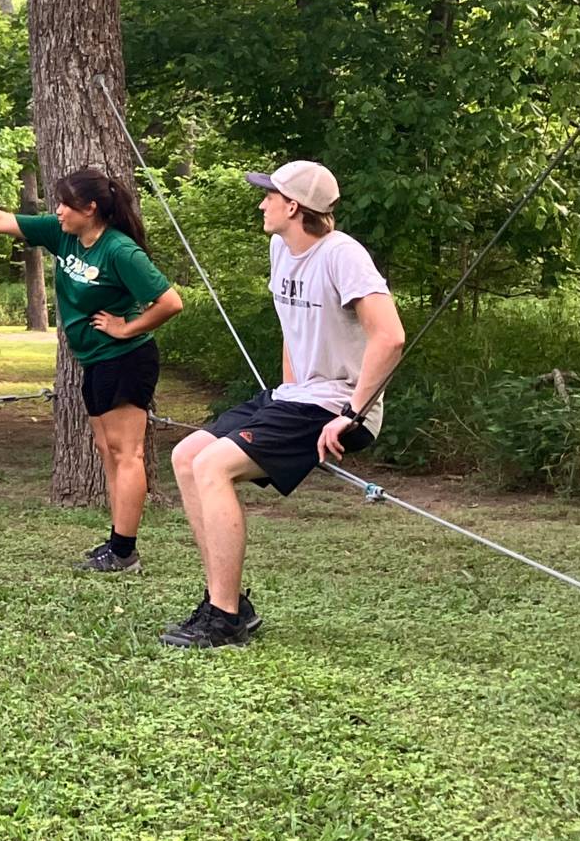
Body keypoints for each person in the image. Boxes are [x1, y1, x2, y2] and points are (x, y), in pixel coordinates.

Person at [163, 161, 406, 649]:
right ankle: (225, 601)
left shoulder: (343, 255)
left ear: (293, 206)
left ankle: (225, 618)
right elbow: (292, 331)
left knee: (212, 467)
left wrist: (351, 413)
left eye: (268, 195)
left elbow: (391, 337)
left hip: (337, 406)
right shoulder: (280, 248)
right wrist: (287, 387)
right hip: (294, 397)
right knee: (186, 455)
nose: (262, 203)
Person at [0, 168, 185, 572]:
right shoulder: (65, 236)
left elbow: (170, 302)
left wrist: (127, 327)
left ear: (90, 209)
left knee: (128, 454)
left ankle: (124, 552)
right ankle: (118, 543)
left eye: (65, 205)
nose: (57, 211)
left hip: (126, 360)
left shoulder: (120, 251)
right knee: (108, 453)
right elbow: (0, 220)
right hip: (95, 361)